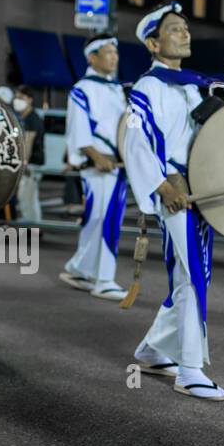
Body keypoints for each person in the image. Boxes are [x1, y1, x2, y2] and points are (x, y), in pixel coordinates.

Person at [123, 2, 224, 400]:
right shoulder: (147, 88)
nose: (184, 34)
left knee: (190, 273)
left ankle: (151, 350)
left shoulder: (194, 84)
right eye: (173, 29)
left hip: (200, 190)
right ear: (153, 43)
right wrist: (162, 184)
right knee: (190, 276)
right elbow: (135, 141)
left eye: (185, 28)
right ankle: (188, 369)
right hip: (176, 194)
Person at [61, 35, 129, 301]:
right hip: (99, 163)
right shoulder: (83, 88)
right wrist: (93, 154)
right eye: (108, 52)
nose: (114, 57)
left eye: (115, 51)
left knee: (101, 218)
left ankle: (80, 268)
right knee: (104, 218)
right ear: (92, 57)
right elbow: (78, 126)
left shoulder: (115, 89)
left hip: (116, 162)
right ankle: (103, 279)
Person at [11, 85, 45, 223]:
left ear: (30, 100)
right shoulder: (23, 117)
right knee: (27, 196)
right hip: (29, 162)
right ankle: (32, 227)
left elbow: (28, 142)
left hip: (32, 163)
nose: (17, 100)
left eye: (21, 97)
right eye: (17, 97)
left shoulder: (32, 118)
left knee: (28, 196)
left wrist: (24, 163)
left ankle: (33, 228)